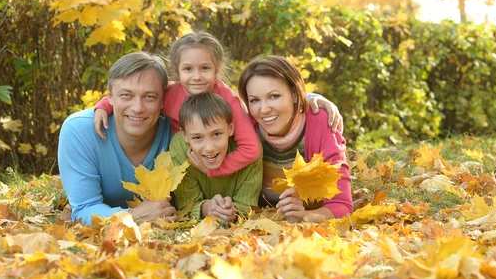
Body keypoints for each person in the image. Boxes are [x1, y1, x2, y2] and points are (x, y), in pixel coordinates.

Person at [92, 31, 343, 176]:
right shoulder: (170, 93)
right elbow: (139, 96)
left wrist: (215, 170)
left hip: (220, 162)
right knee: (178, 143)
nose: (197, 76)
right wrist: (104, 105)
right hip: (185, 161)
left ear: (217, 70)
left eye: (205, 68)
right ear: (176, 71)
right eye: (188, 69)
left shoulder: (228, 100)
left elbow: (252, 149)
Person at [58, 52, 177, 225]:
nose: (137, 108)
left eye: (149, 97)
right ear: (110, 97)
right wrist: (133, 216)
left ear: (163, 101)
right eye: (126, 95)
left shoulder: (178, 131)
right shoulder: (79, 131)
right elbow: (84, 209)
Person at [238, 55, 353, 222]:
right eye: (254, 100)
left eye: (274, 96)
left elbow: (343, 205)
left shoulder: (321, 123)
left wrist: (306, 216)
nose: (264, 109)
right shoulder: (246, 127)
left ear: (294, 94)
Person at [170, 92, 262, 222]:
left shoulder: (248, 149)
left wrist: (232, 211)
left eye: (217, 134)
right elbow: (186, 207)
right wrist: (206, 208)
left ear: (231, 128)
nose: (209, 148)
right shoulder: (179, 148)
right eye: (197, 138)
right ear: (185, 135)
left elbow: (248, 205)